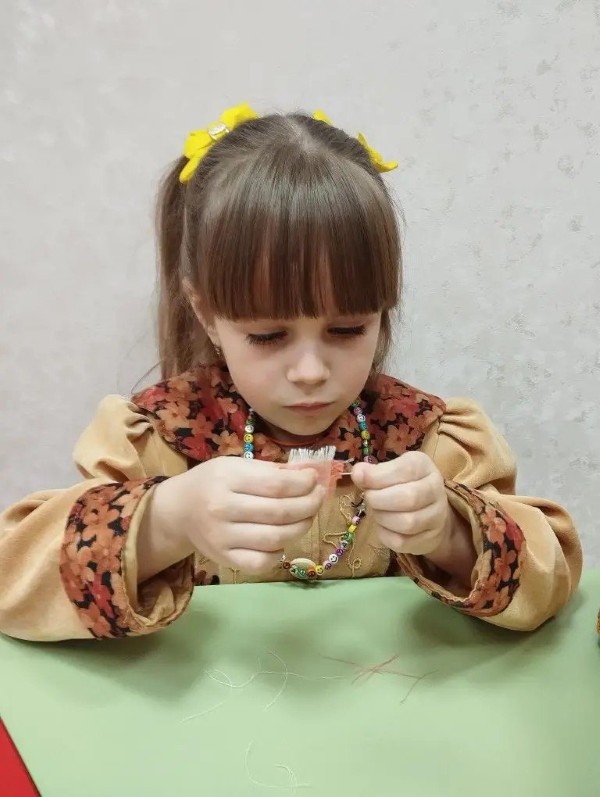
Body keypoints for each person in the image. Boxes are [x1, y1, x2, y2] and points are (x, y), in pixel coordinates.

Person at [0, 104, 582, 642]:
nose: (309, 371)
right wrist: (166, 521)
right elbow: (13, 587)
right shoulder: (154, 441)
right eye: (267, 336)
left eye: (347, 329)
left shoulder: (430, 442)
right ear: (205, 312)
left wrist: (451, 533)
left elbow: (552, 581)